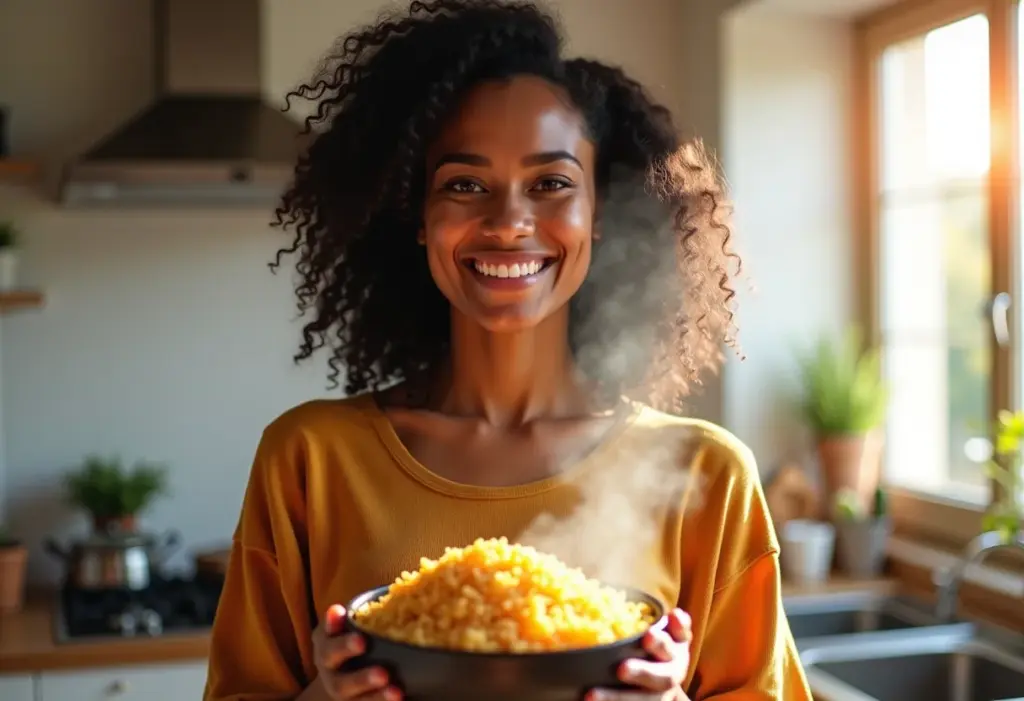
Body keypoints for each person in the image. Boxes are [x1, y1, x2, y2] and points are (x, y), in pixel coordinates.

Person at [202, 1, 812, 699]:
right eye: (465, 185)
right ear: (418, 216)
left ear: (598, 214)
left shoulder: (705, 475)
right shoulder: (308, 459)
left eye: (551, 184)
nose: (509, 222)